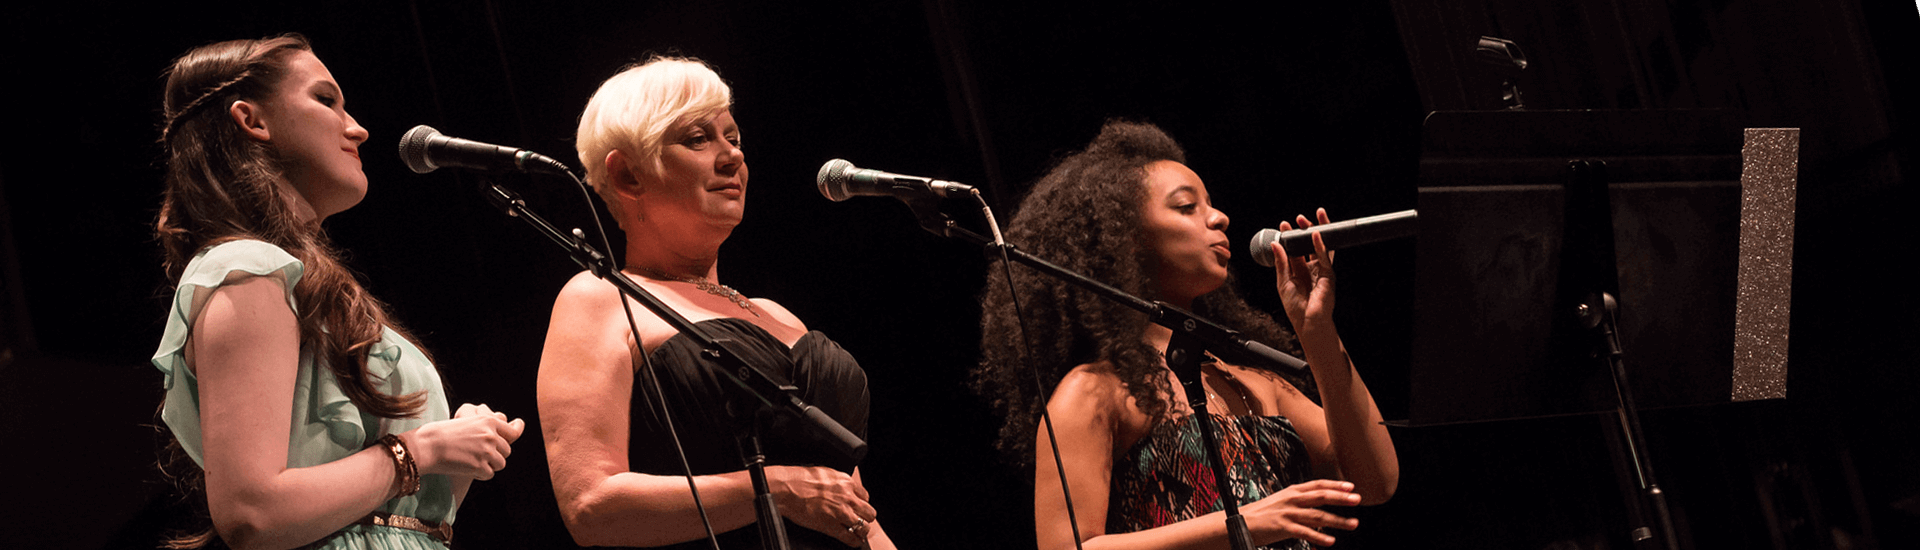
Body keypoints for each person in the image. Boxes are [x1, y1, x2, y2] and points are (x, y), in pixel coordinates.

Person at [150, 34, 526, 550]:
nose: (358, 128)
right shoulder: (247, 272)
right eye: (326, 100)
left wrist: (456, 455)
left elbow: (395, 521)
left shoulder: (306, 282)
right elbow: (252, 513)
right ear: (252, 120)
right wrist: (422, 449)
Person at [973, 121, 1399, 550]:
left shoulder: (1251, 383)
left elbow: (1375, 481)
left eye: (1210, 204)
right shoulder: (1093, 393)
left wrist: (1318, 331)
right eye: (1186, 207)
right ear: (1125, 239)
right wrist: (1239, 524)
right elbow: (1068, 548)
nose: (1219, 217)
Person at [538, 57, 895, 549]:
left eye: (734, 138)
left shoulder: (777, 314)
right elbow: (591, 506)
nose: (731, 158)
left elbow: (850, 507)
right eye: (698, 139)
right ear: (628, 177)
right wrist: (776, 491)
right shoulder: (600, 299)